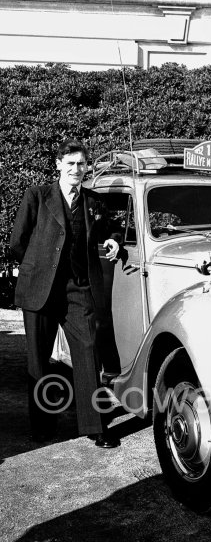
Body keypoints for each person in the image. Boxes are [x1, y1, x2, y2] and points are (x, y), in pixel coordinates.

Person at [10, 138, 121, 447]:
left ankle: (95, 426)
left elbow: (110, 229)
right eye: (70, 163)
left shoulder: (94, 201)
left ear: (87, 167)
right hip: (40, 290)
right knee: (39, 361)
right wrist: (38, 269)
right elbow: (17, 242)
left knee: (88, 353)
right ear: (58, 165)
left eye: (81, 164)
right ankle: (43, 428)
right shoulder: (37, 196)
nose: (76, 169)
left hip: (78, 288)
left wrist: (113, 240)